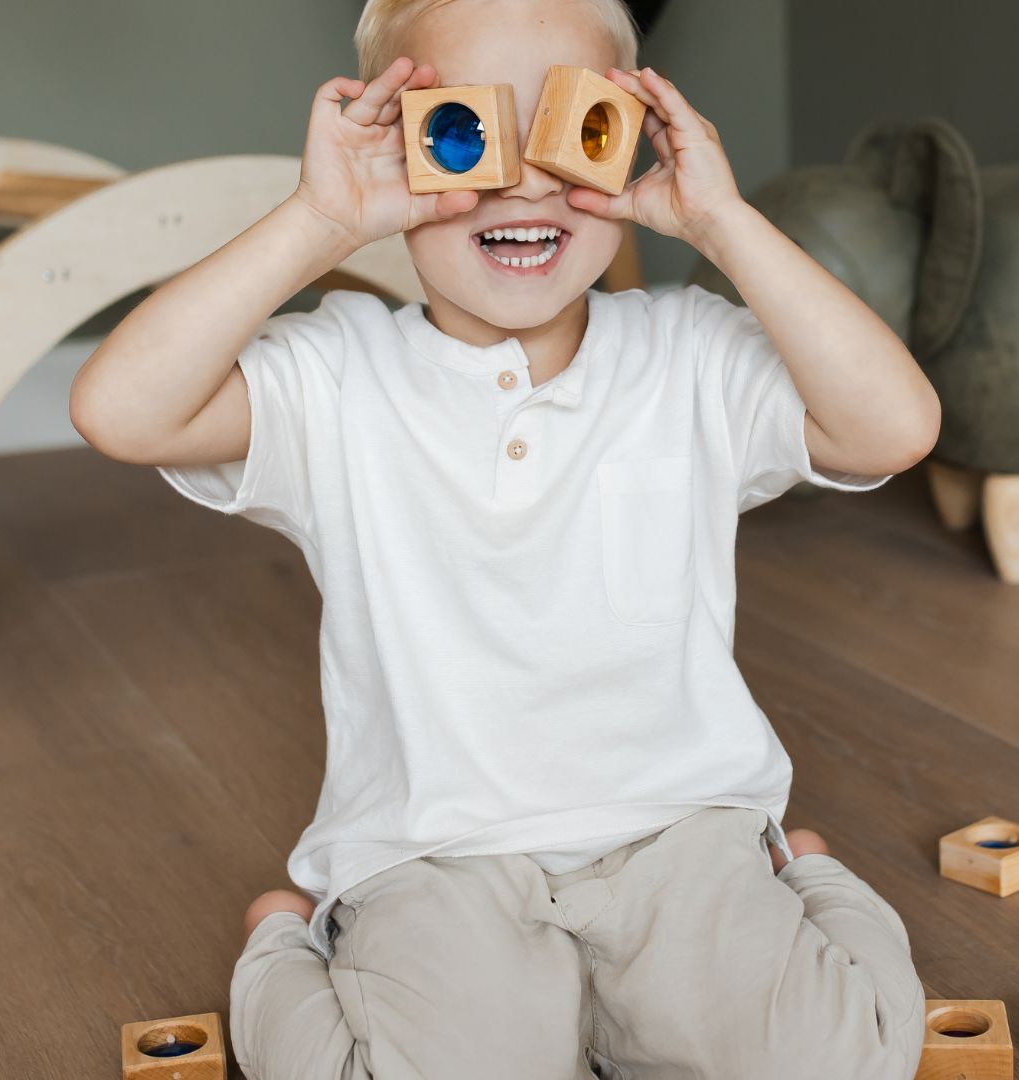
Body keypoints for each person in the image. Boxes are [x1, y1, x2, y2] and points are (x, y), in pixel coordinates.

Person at [69, 0, 940, 1076]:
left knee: (838, 1061)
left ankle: (800, 873)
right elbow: (122, 409)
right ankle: (279, 938)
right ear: (394, 157)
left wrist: (722, 224)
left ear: (634, 150)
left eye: (571, 135)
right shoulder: (340, 376)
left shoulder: (692, 355)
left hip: (679, 832)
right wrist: (320, 220)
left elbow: (896, 429)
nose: (524, 184)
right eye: (462, 137)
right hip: (434, 852)